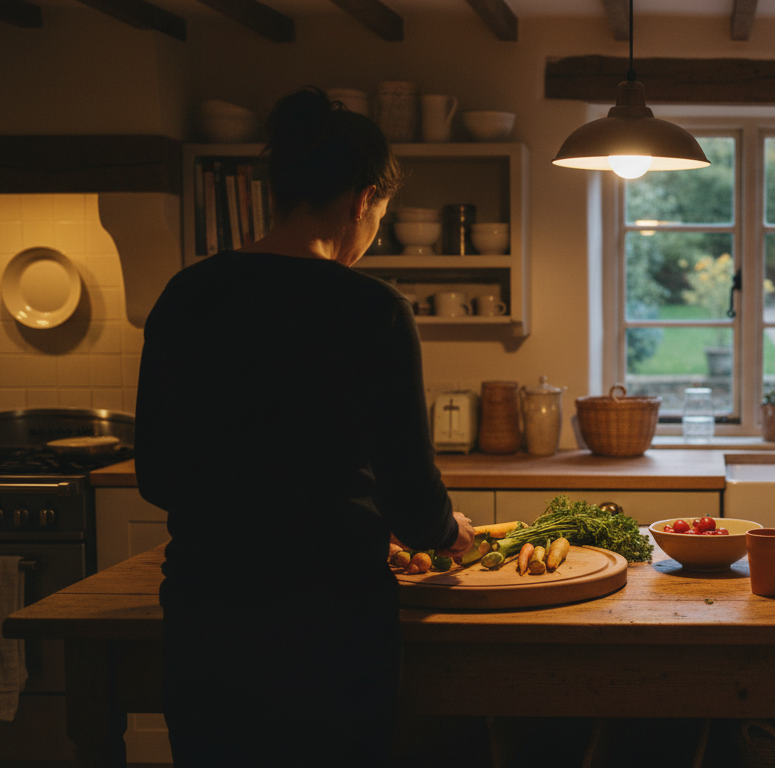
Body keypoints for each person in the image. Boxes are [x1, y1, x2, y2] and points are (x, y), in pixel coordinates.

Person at [135, 87, 473, 767]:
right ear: (364, 199)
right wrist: (447, 534)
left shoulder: (185, 294)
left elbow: (157, 475)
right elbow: (411, 496)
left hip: (208, 612)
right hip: (333, 623)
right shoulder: (372, 309)